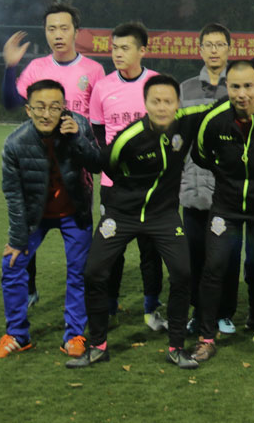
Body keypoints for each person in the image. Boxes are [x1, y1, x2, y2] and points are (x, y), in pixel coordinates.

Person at [69, 75, 210, 370]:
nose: (162, 107)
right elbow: (102, 164)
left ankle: (176, 347)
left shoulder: (186, 122)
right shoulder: (129, 137)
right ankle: (97, 346)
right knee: (94, 272)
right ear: (145, 103)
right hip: (122, 215)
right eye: (156, 101)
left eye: (168, 101)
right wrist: (75, 140)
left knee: (182, 274)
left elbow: (223, 106)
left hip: (164, 216)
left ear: (178, 103)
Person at [0, 80, 102, 359]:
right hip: (34, 216)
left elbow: (97, 164)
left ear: (64, 108)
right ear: (28, 110)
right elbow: (13, 193)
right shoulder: (15, 143)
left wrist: (77, 138)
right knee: (12, 264)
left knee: (79, 271)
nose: (47, 114)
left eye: (54, 107)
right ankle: (17, 335)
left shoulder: (79, 125)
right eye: (39, 107)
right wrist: (17, 239)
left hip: (74, 211)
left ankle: (74, 335)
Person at [1, 1, 106, 308]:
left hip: (75, 164)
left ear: (76, 32)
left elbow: (98, 120)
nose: (58, 34)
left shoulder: (93, 70)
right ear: (45, 33)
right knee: (30, 222)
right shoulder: (37, 68)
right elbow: (11, 102)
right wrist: (10, 67)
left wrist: (95, 153)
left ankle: (84, 302)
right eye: (51, 29)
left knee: (78, 239)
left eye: (63, 28)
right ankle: (29, 289)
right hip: (37, 161)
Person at [190, 60, 254, 364]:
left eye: (248, 86)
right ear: (227, 87)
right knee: (214, 268)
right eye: (235, 87)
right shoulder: (214, 119)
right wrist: (227, 176)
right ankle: (206, 338)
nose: (242, 93)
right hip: (226, 209)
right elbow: (201, 155)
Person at [88, 22, 166, 331]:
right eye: (114, 48)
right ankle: (109, 308)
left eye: (124, 48)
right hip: (114, 187)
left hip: (151, 187)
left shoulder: (157, 84)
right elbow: (98, 132)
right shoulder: (103, 87)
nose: (117, 54)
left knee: (151, 250)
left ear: (142, 50)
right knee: (112, 250)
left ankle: (151, 310)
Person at [180, 23, 246, 338]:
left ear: (229, 49)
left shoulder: (239, 88)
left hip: (228, 189)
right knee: (196, 254)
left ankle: (224, 313)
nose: (214, 50)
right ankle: (198, 312)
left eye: (220, 44)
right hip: (194, 187)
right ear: (200, 49)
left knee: (229, 255)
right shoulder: (185, 89)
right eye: (209, 44)